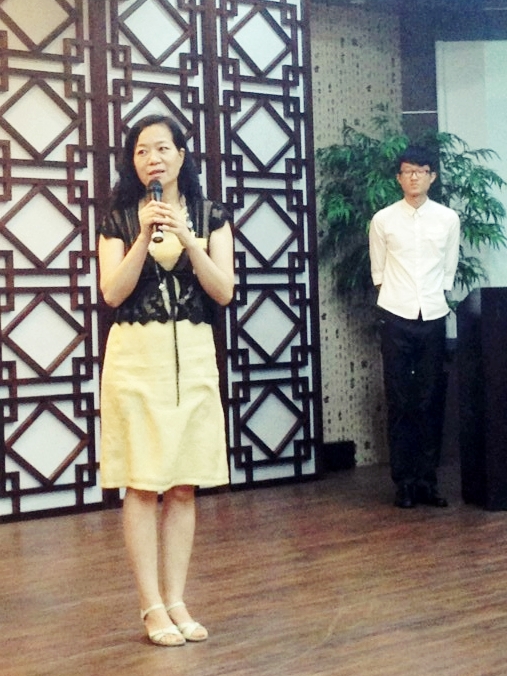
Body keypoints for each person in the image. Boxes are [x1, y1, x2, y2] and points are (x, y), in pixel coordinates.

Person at [97, 114, 234, 646]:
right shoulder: (118, 219)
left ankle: (177, 599)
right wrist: (143, 238)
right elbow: (113, 292)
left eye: (161, 148)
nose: (152, 158)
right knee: (142, 482)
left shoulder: (210, 214)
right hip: (136, 359)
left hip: (193, 358)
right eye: (141, 151)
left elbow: (223, 291)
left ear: (181, 155)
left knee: (182, 484)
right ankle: (150, 606)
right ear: (133, 163)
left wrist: (188, 239)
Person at [369, 146, 460, 509]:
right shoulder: (383, 220)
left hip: (433, 315)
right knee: (400, 400)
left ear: (431, 177)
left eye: (420, 171)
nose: (414, 177)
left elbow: (448, 270)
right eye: (407, 171)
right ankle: (404, 482)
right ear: (399, 178)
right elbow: (378, 272)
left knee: (429, 399)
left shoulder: (448, 219)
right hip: (396, 314)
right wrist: (398, 302)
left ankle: (427, 481)